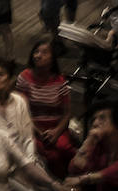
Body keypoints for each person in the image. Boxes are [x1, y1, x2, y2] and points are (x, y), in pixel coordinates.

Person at [16, 38, 76, 176]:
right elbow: (22, 111)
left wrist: (56, 131)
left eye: (44, 52)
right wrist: (39, 131)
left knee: (66, 148)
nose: (38, 55)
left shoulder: (60, 81)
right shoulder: (24, 77)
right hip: (32, 127)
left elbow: (67, 113)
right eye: (36, 52)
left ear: (52, 58)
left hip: (56, 127)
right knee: (52, 156)